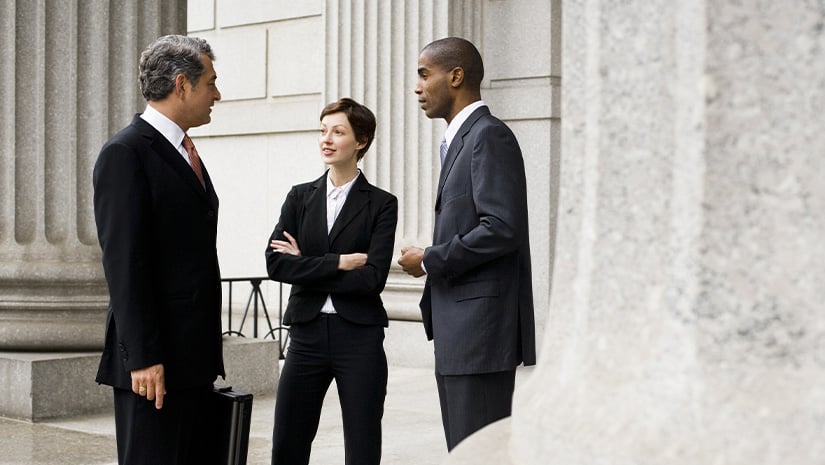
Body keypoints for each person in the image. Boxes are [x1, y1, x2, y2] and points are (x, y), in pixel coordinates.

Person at [397, 37, 537, 451]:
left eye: (425, 75)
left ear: (455, 76)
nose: (418, 87)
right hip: (461, 333)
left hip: (480, 336)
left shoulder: (488, 136)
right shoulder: (461, 140)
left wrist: (430, 258)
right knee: (465, 451)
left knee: (477, 454)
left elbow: (501, 228)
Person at [92, 35, 224, 465]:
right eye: (211, 83)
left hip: (193, 360)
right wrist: (144, 358)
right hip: (154, 367)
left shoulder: (184, 150)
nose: (217, 95)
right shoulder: (125, 153)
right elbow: (125, 265)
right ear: (182, 85)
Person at [265, 98, 398, 465]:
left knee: (362, 444)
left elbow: (372, 280)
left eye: (338, 132)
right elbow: (275, 264)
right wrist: (337, 263)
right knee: (288, 442)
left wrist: (305, 265)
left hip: (359, 337)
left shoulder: (382, 204)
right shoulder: (300, 197)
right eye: (323, 130)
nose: (326, 139)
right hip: (306, 335)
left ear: (361, 141)